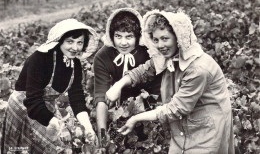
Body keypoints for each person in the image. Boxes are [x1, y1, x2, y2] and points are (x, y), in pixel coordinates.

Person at [106, 10, 234, 154]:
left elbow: (177, 108)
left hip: (207, 128)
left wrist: (136, 118)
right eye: (155, 40)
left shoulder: (198, 68)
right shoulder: (167, 56)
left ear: (178, 38)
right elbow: (144, 70)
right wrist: (118, 85)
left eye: (165, 38)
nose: (160, 45)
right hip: (184, 128)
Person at [1, 19, 99, 153]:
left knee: (61, 145)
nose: (75, 48)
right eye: (70, 41)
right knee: (49, 148)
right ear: (60, 41)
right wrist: (53, 121)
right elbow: (33, 100)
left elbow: (76, 97)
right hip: (25, 106)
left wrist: (87, 126)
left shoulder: (74, 64)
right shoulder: (41, 58)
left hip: (46, 106)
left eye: (79, 42)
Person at [93, 8, 161, 145]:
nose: (123, 43)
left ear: (138, 37)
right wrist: (102, 138)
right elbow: (101, 97)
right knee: (116, 143)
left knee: (148, 142)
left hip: (149, 107)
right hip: (119, 111)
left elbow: (158, 89)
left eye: (129, 36)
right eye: (118, 36)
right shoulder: (102, 56)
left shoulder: (148, 52)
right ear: (111, 37)